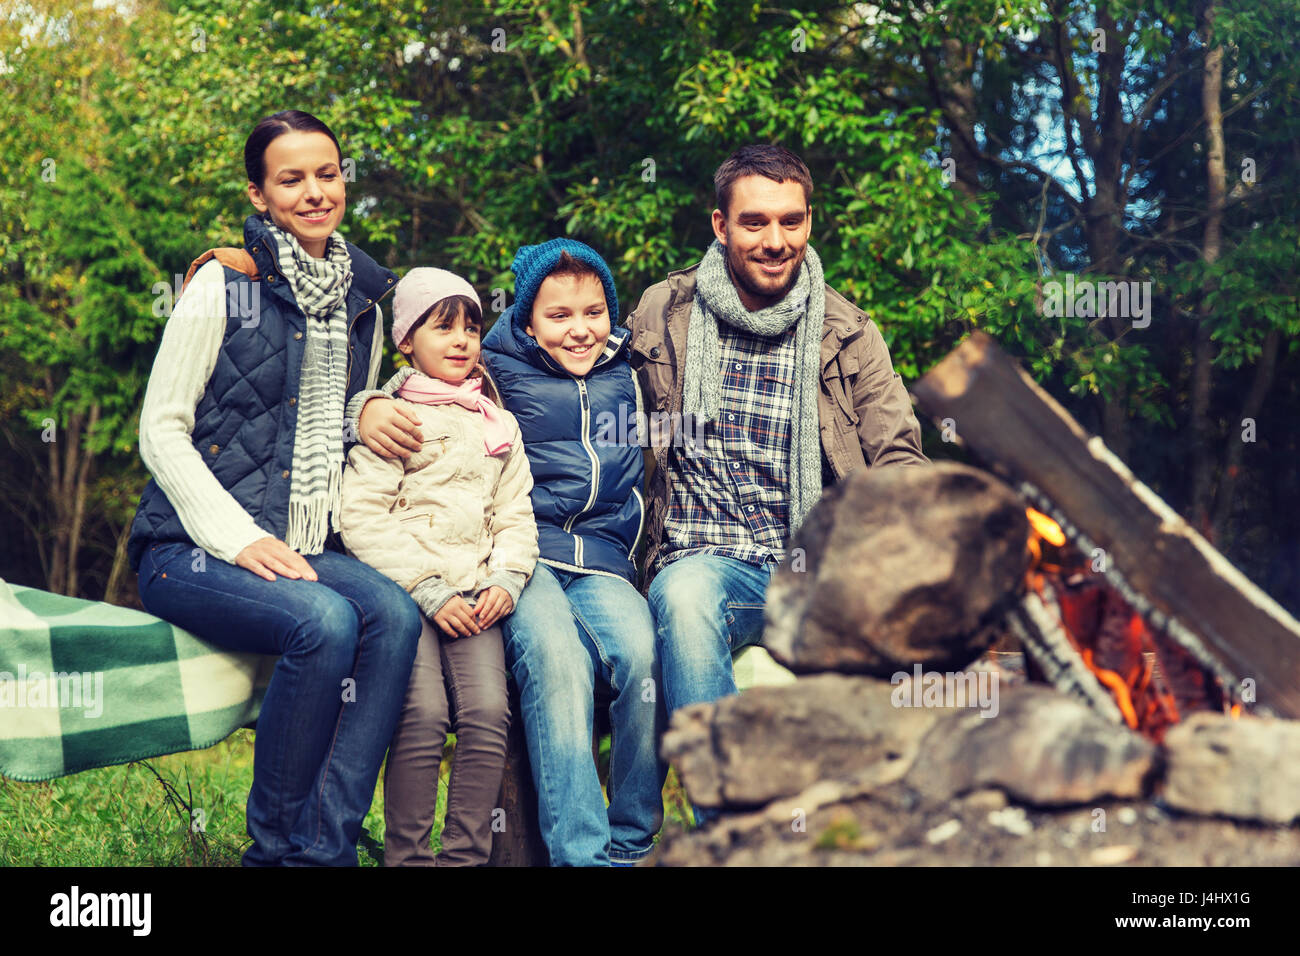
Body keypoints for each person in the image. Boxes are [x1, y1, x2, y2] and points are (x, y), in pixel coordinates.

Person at [128, 110, 422, 866]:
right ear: (259, 194)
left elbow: (331, 408)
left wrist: (370, 406)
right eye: (291, 179)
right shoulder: (224, 283)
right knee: (322, 622)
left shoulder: (363, 296)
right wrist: (239, 538)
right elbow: (161, 429)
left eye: (328, 174)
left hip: (304, 536)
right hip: (188, 550)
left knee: (392, 613)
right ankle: (274, 850)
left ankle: (324, 846)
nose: (315, 192)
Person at [625, 144, 929, 730]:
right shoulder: (665, 310)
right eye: (754, 221)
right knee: (686, 601)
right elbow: (570, 359)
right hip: (701, 562)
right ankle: (731, 815)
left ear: (809, 221)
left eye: (792, 221)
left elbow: (899, 459)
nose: (775, 240)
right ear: (721, 225)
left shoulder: (849, 332)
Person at [338, 268, 538, 866]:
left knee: (486, 713)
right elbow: (362, 517)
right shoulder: (394, 418)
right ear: (406, 342)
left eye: (471, 327)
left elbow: (515, 512)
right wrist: (425, 588)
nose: (461, 340)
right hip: (409, 598)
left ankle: (464, 858)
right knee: (422, 714)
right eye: (442, 326)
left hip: (477, 596)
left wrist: (508, 576)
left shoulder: (497, 424)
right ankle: (406, 857)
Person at [479, 239, 667, 866]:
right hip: (522, 557)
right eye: (559, 316)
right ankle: (580, 857)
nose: (580, 330)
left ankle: (631, 845)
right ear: (528, 319)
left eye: (594, 312)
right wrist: (364, 409)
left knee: (646, 659)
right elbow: (413, 391)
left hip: (605, 562)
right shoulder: (489, 371)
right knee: (558, 662)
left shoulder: (629, 373)